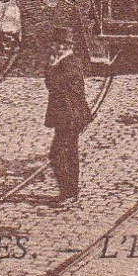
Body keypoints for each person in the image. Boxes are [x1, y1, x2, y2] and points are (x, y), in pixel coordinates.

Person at [43, 27, 91, 202]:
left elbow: (53, 83)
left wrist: (51, 66)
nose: (54, 48)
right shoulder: (66, 62)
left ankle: (69, 192)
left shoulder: (70, 64)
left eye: (57, 45)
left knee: (59, 154)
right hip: (67, 116)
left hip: (71, 116)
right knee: (68, 152)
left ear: (64, 46)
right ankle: (70, 191)